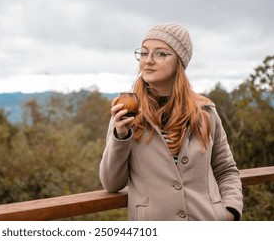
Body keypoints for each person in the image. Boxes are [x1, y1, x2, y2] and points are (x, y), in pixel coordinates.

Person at [99, 23, 243, 221]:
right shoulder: (126, 112)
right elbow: (111, 183)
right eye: (143, 53)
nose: (147, 61)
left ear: (179, 62)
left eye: (160, 54)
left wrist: (230, 211)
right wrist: (121, 137)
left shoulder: (205, 111)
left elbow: (226, 170)